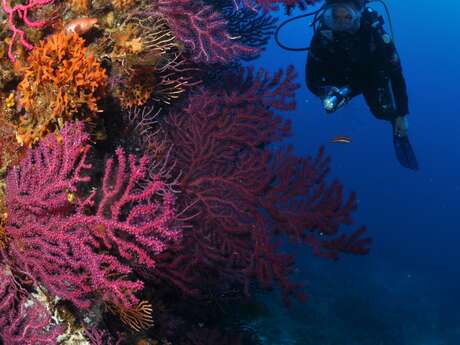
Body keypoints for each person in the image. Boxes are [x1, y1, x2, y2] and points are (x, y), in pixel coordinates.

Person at [305, 0, 418, 170]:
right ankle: (345, 101)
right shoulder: (323, 35)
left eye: (348, 16)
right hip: (341, 79)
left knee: (381, 112)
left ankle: (397, 129)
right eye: (335, 16)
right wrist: (324, 92)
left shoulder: (375, 32)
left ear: (359, 14)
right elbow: (311, 76)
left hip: (371, 78)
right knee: (334, 102)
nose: (341, 22)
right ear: (327, 14)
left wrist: (402, 114)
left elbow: (396, 74)